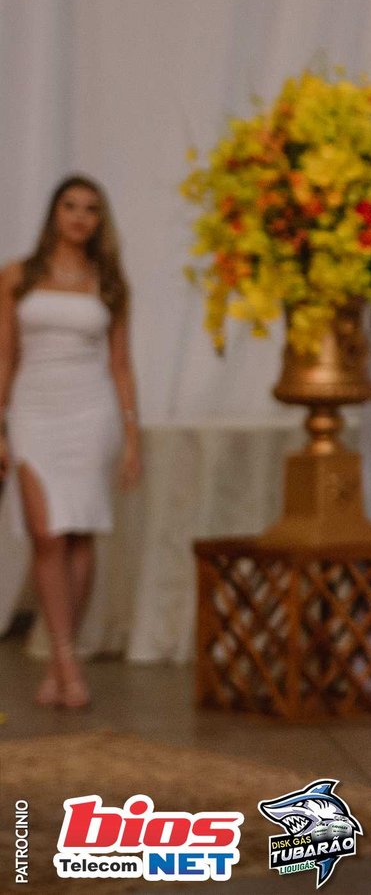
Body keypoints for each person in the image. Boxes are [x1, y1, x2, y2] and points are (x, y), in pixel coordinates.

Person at [0, 175, 142, 709]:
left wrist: (132, 436)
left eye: (90, 209)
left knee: (80, 534)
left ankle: (62, 659)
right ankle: (65, 660)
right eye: (70, 206)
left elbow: (121, 365)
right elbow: (5, 355)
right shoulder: (17, 275)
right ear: (54, 213)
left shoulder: (110, 281)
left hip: (92, 412)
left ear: (99, 221)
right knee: (46, 535)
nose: (80, 216)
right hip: (34, 411)